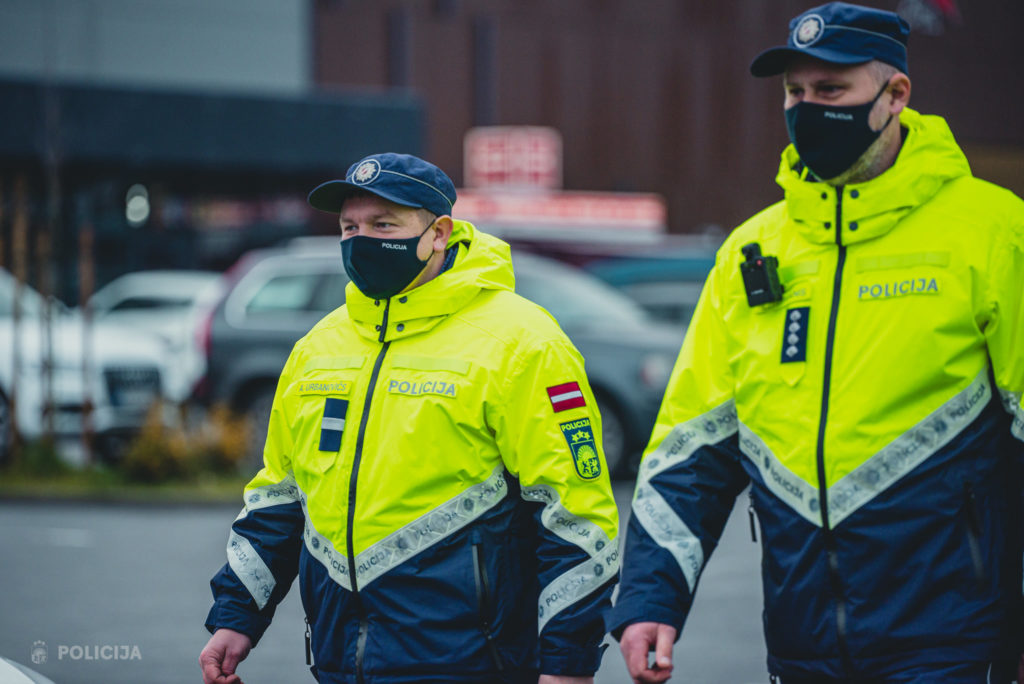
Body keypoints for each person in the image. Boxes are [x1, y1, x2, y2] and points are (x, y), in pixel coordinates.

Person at [608, 3, 1024, 683]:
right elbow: (690, 449)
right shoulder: (752, 251)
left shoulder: (994, 233)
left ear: (896, 95)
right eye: (794, 92)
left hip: (952, 643)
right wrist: (652, 598)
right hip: (802, 645)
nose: (807, 109)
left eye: (831, 90)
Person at [199, 153, 620, 684]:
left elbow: (574, 513)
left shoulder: (523, 342)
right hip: (337, 663)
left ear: (438, 233)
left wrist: (568, 664)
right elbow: (279, 497)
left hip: (473, 664)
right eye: (350, 227)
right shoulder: (317, 348)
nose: (361, 241)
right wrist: (236, 616)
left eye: (383, 226)